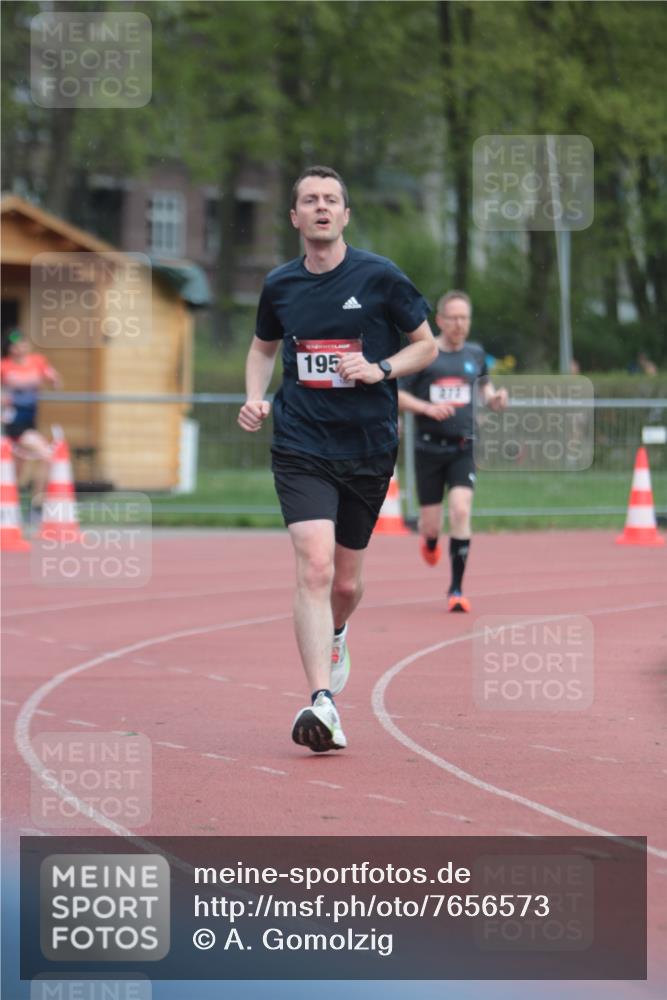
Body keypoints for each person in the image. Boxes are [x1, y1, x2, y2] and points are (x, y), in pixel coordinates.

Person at [238, 165, 437, 754]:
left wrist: (380, 368)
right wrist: (254, 395)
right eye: (309, 200)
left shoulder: (380, 277)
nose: (321, 207)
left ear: (345, 215)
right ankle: (321, 702)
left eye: (331, 199)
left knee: (345, 584)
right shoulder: (280, 285)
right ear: (295, 217)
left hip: (368, 446)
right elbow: (261, 348)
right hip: (301, 444)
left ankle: (338, 631)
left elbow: (424, 344)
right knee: (315, 565)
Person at [398, 291, 507, 612]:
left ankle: (456, 589)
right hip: (428, 449)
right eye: (454, 318)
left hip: (463, 448)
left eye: (465, 318)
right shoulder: (424, 353)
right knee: (431, 525)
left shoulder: (475, 354)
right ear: (441, 320)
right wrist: (427, 408)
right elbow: (397, 396)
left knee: (460, 511)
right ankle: (430, 541)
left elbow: (486, 391)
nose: (460, 324)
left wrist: (496, 399)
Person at [1, 329, 61, 510]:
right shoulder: (4, 366)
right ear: (11, 349)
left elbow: (55, 380)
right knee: (46, 455)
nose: (22, 347)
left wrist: (53, 379)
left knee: (17, 468)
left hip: (30, 421)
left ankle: (12, 505)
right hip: (13, 422)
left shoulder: (38, 362)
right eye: (17, 345)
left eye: (24, 343)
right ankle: (38, 501)